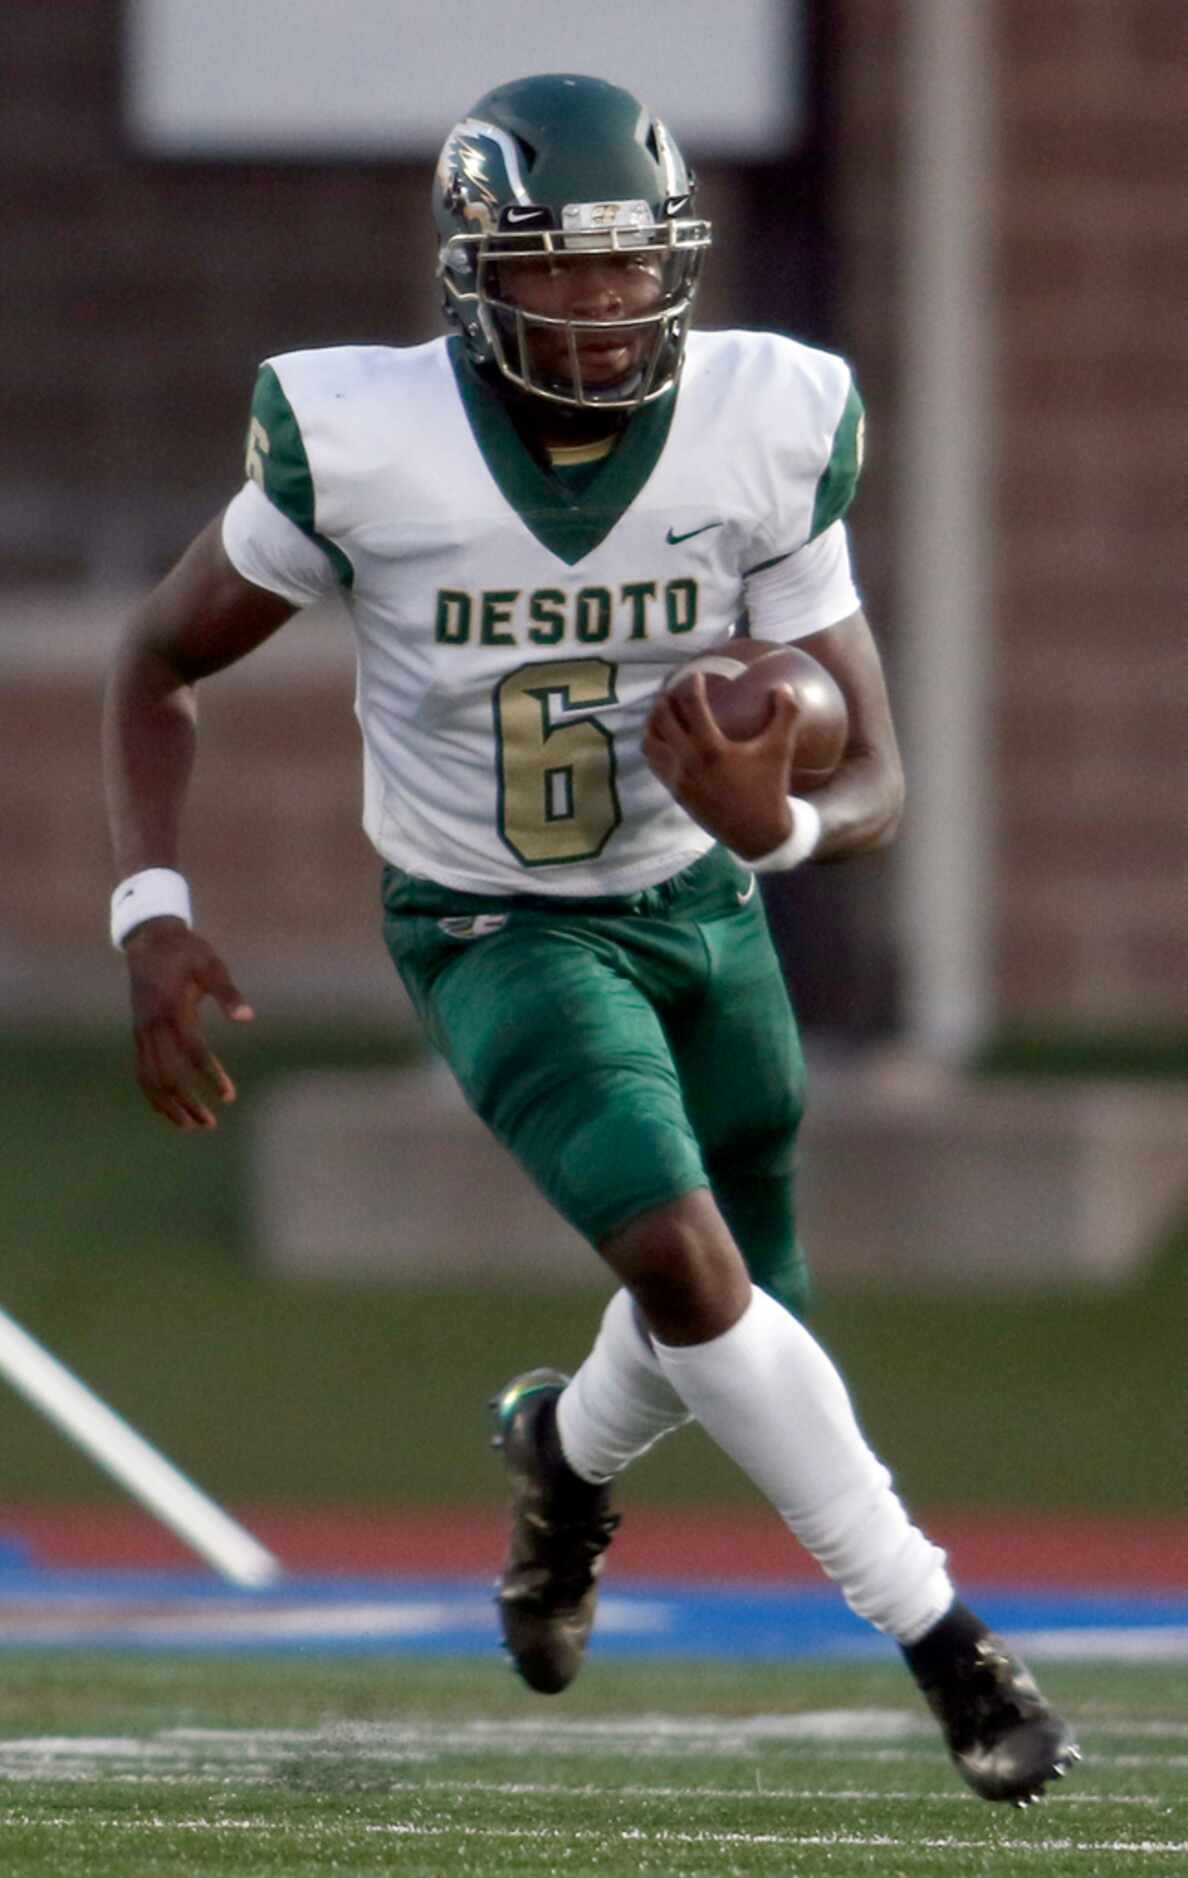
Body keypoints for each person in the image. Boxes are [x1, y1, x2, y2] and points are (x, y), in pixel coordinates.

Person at [102, 73, 1077, 1805]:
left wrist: (776, 815)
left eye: (636, 268)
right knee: (698, 1276)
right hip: (492, 921)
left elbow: (880, 776)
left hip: (700, 909)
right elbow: (155, 662)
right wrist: (153, 905)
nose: (609, 307)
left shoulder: (763, 420)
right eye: (562, 269)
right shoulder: (367, 438)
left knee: (732, 1308)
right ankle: (953, 1647)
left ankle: (559, 1457)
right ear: (479, 274)